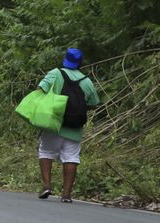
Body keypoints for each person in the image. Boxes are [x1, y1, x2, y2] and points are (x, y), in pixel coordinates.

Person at [36, 48, 100, 203]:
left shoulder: (55, 73)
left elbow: (40, 89)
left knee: (46, 152)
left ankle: (47, 186)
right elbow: (94, 103)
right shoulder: (86, 81)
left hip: (54, 122)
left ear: (65, 59)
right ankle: (66, 195)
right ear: (80, 63)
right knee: (71, 157)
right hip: (74, 126)